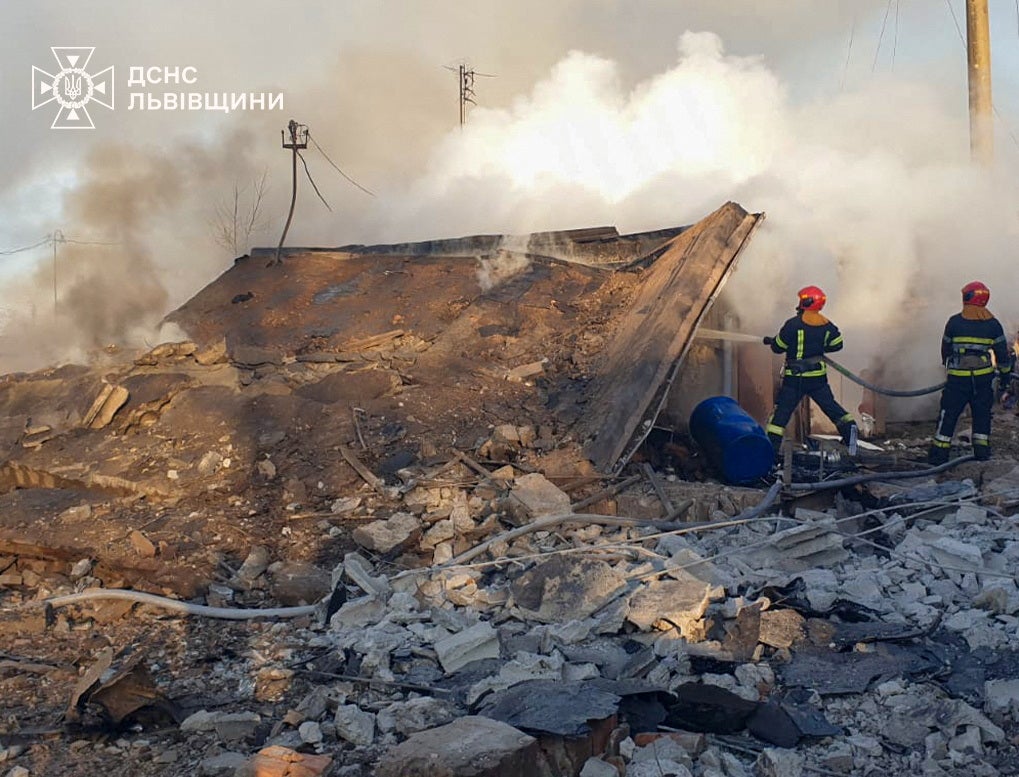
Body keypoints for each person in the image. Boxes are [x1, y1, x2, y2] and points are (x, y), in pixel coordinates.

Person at [762, 285, 858, 458]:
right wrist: (820, 347)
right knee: (832, 408)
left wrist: (773, 341)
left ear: (805, 302)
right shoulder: (826, 324)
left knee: (781, 416)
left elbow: (778, 347)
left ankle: (769, 452)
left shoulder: (793, 324)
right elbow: (838, 344)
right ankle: (851, 439)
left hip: (794, 380)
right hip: (818, 380)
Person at [928, 281, 1012, 464]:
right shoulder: (993, 324)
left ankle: (939, 456)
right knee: (981, 416)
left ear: (968, 298)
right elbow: (1003, 356)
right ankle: (982, 453)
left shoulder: (955, 322)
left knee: (948, 415)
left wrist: (947, 365)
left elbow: (946, 349)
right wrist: (1005, 379)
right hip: (982, 380)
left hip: (957, 380)